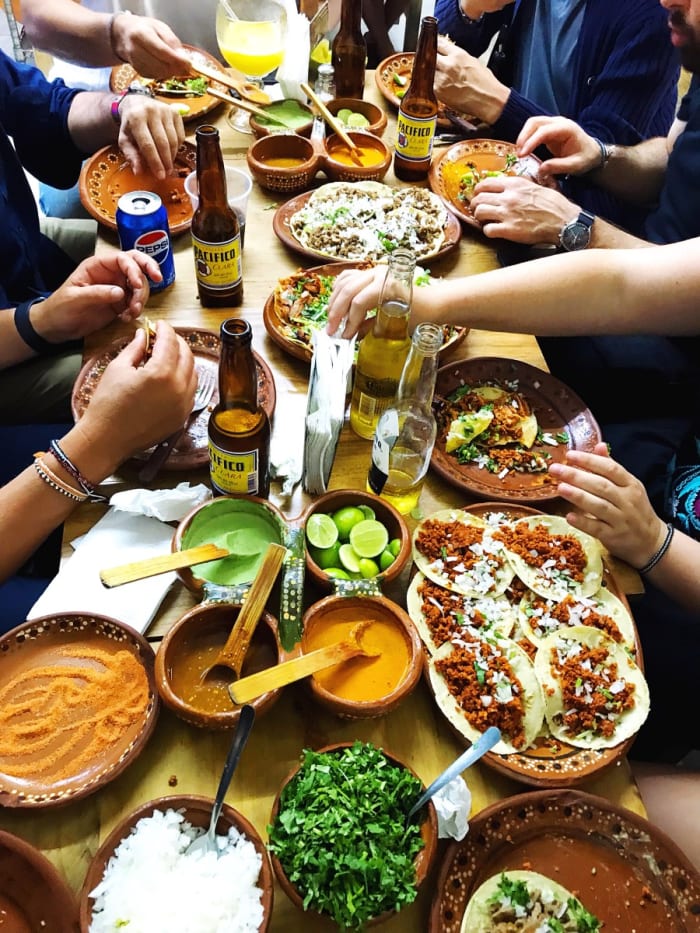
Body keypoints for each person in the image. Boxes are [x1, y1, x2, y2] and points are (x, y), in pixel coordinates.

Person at [326, 240, 700, 766]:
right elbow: (621, 282)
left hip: (673, 627)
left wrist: (656, 544)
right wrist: (433, 301)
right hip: (643, 494)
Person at [0, 47, 184, 422]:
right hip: (12, 348)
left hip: (20, 245)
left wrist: (122, 110)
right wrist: (44, 321)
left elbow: (45, 105)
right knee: (163, 383)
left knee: (171, 269)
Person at [433, 0, 679, 230]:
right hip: (502, 161)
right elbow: (436, 50)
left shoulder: (654, 14)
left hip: (588, 220)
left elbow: (598, 163)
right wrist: (469, 8)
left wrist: (497, 103)